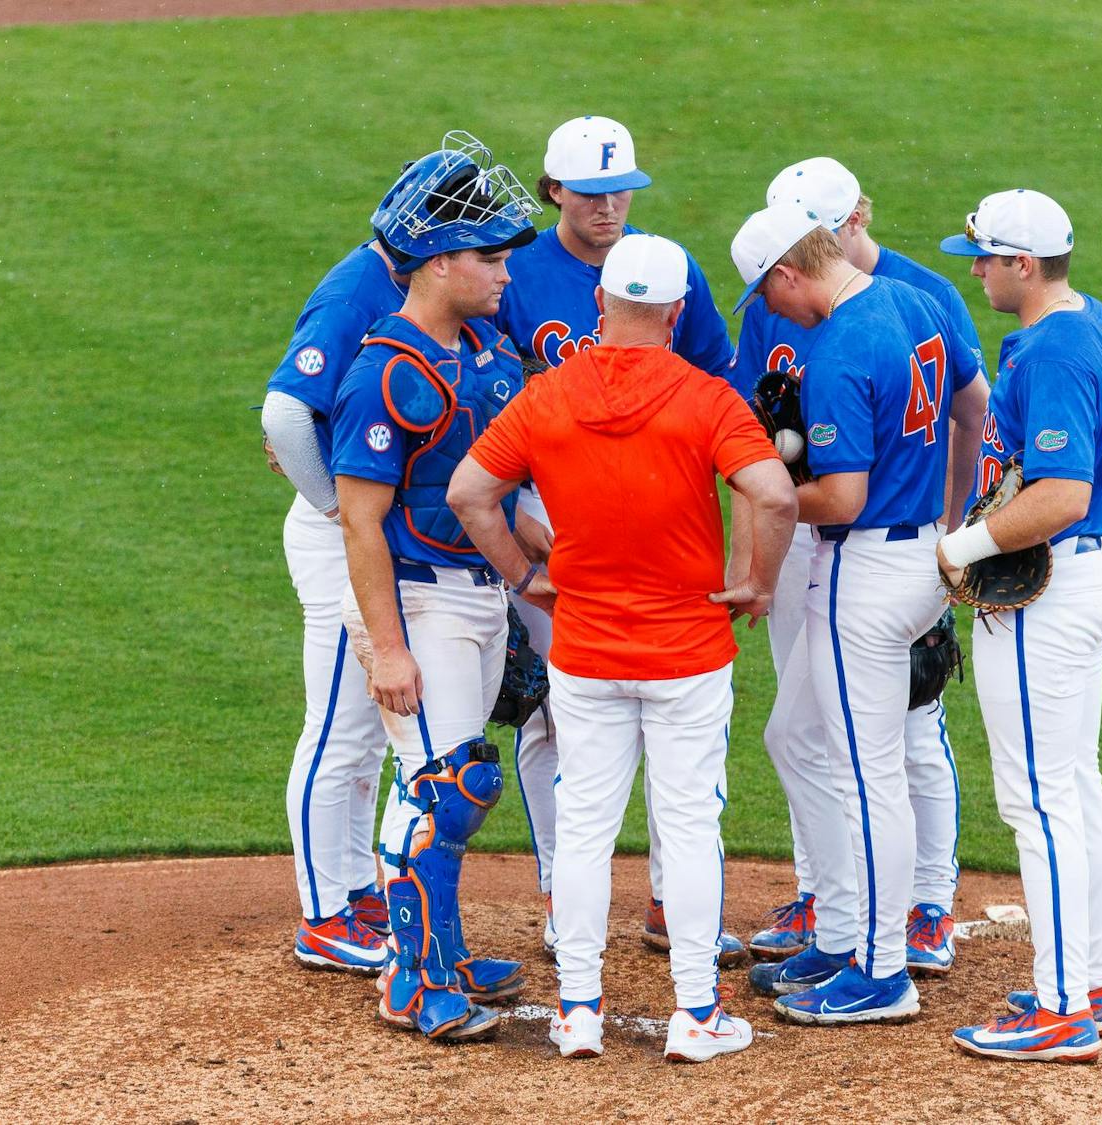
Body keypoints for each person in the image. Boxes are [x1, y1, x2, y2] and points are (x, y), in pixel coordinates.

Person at [449, 233, 796, 1063]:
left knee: (583, 829)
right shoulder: (705, 396)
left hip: (588, 648)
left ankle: (576, 1012)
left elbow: (470, 492)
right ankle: (697, 1014)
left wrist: (525, 574)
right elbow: (776, 493)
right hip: (687, 651)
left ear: (601, 305)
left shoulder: (548, 396)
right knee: (687, 827)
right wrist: (758, 580)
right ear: (677, 313)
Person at [490, 114, 747, 965]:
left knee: (677, 742)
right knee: (558, 718)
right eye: (593, 194)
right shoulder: (516, 276)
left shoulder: (667, 271)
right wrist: (527, 555)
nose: (610, 208)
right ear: (554, 189)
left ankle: (673, 904)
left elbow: (714, 386)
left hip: (653, 518)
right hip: (544, 508)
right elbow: (491, 411)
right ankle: (566, 898)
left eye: (622, 192)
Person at [727, 203, 988, 1025]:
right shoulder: (913, 302)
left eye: (767, 295)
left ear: (787, 273)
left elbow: (840, 495)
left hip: (866, 568)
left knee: (865, 772)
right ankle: (841, 932)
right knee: (794, 735)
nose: (772, 314)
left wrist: (766, 486)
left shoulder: (839, 346)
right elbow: (960, 412)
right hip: (916, 550)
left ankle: (881, 970)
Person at [329, 133, 540, 1042]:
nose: (503, 274)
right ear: (438, 261)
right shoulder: (388, 371)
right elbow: (359, 519)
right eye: (488, 258)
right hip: (418, 597)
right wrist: (386, 647)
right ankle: (411, 981)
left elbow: (503, 496)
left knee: (448, 781)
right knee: (445, 784)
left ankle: (440, 955)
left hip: (479, 595)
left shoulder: (489, 355)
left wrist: (548, 580)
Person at [938, 188, 1102, 1062]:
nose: (974, 268)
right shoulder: (1095, 321)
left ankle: (1061, 1007)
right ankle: (1093, 980)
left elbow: (1063, 494)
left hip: (1048, 597)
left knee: (1041, 800)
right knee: (1076, 786)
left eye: (983, 256)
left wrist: (964, 545)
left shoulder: (1055, 349)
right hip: (1087, 580)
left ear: (1024, 264)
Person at [261, 160, 415, 974]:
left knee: (365, 734)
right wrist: (334, 507)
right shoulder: (359, 285)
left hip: (368, 531)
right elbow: (286, 411)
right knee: (340, 728)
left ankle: (356, 886)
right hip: (337, 540)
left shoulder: (402, 278)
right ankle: (324, 913)